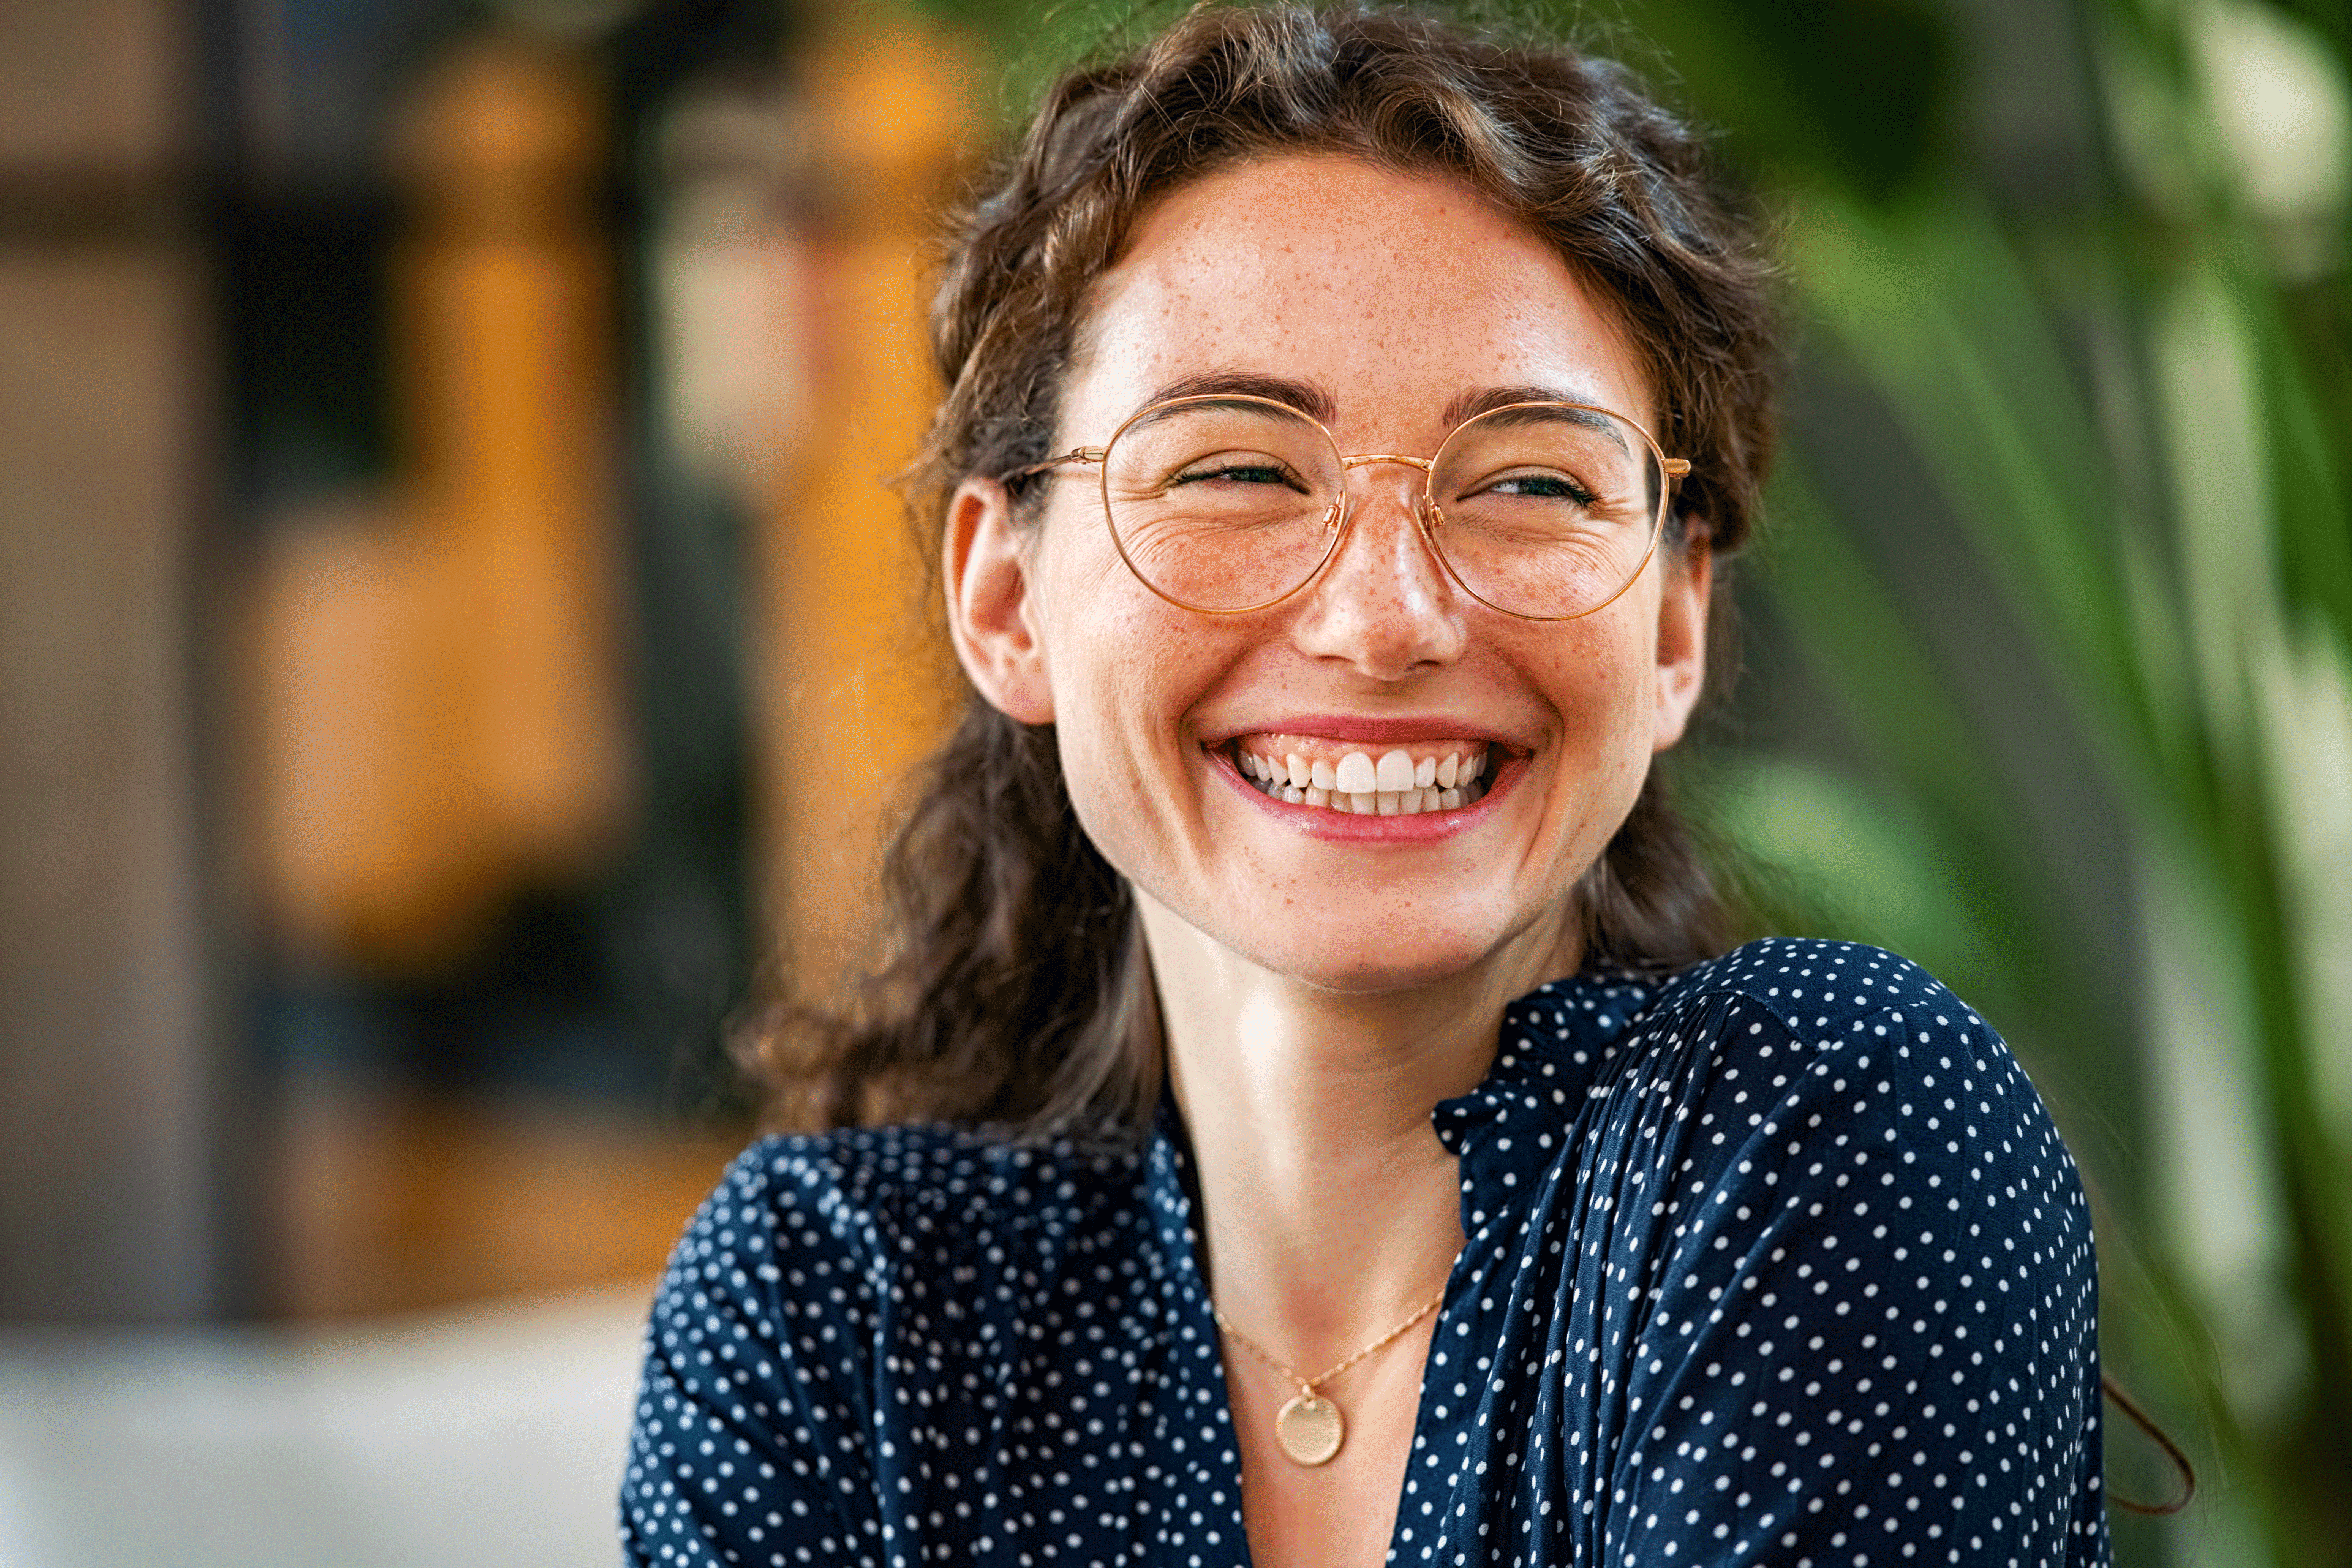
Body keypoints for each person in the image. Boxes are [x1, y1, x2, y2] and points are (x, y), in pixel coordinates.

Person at [620, 6, 2110, 1565]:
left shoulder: (1835, 1146)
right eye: (1239, 469)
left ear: (1675, 623)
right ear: (1007, 601)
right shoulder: (837, 1308)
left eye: (1533, 481)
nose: (1387, 616)